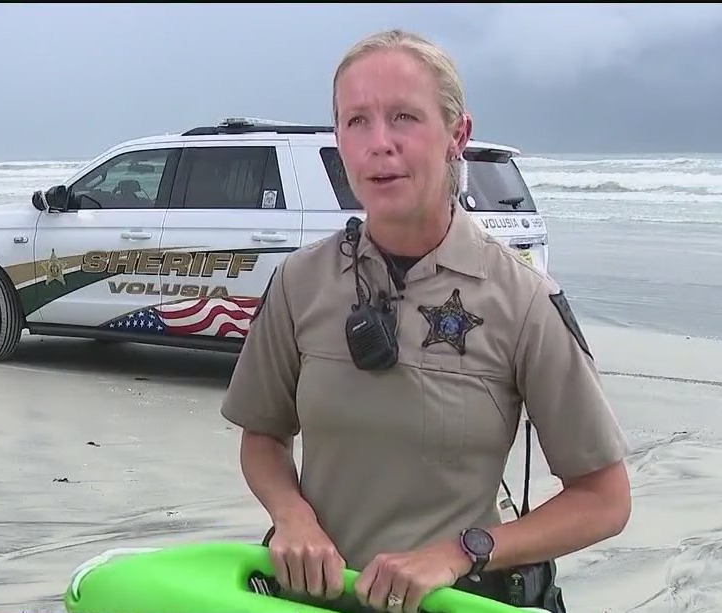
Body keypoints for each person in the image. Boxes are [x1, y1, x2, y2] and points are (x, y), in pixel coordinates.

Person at [219, 28, 632, 613]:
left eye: (404, 117)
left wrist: (463, 551)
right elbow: (262, 435)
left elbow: (604, 499)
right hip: (316, 600)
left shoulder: (522, 299)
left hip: (455, 602)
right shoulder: (300, 282)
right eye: (356, 121)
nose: (378, 144)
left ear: (456, 135)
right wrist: (292, 518)